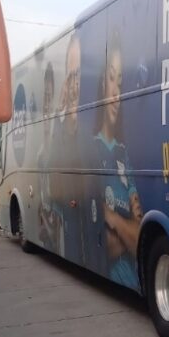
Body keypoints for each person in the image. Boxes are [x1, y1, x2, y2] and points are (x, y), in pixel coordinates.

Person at [91, 29, 142, 289]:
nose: (116, 93)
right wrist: (128, 228)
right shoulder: (92, 150)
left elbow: (137, 239)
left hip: (132, 278)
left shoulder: (124, 154)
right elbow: (105, 245)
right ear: (102, 83)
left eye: (120, 83)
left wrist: (113, 219)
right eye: (112, 79)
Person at [49, 33, 84, 263]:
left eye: (79, 75)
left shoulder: (92, 141)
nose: (75, 85)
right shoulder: (58, 137)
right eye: (70, 77)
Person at [37, 62, 62, 252]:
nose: (46, 106)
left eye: (50, 98)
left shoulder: (62, 151)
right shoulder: (40, 155)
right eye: (44, 99)